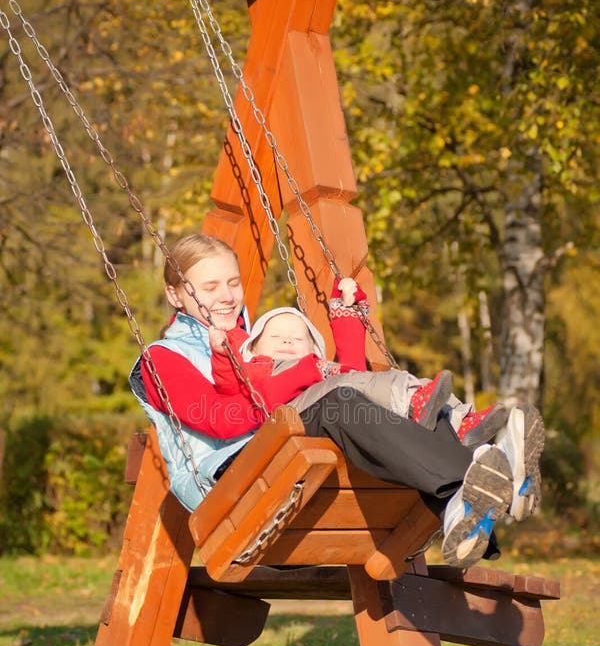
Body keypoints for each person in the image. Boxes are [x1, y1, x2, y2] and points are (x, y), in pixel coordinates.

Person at [129, 233, 544, 568]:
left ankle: (480, 478)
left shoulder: (256, 340)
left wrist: (345, 323)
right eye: (208, 287)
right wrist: (305, 372)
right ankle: (469, 480)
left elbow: (340, 375)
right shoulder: (163, 359)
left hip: (285, 459)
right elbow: (219, 419)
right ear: (175, 294)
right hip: (233, 487)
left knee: (363, 403)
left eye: (233, 283)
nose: (226, 296)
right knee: (339, 404)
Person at [207, 276, 508, 447]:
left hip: (353, 416)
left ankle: (460, 417)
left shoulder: (320, 369)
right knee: (351, 387)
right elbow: (228, 383)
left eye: (297, 339)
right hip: (295, 428)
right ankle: (416, 401)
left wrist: (349, 308)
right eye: (276, 337)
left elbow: (353, 368)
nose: (287, 342)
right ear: (254, 347)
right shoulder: (257, 371)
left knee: (381, 380)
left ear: (313, 349)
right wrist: (224, 350)